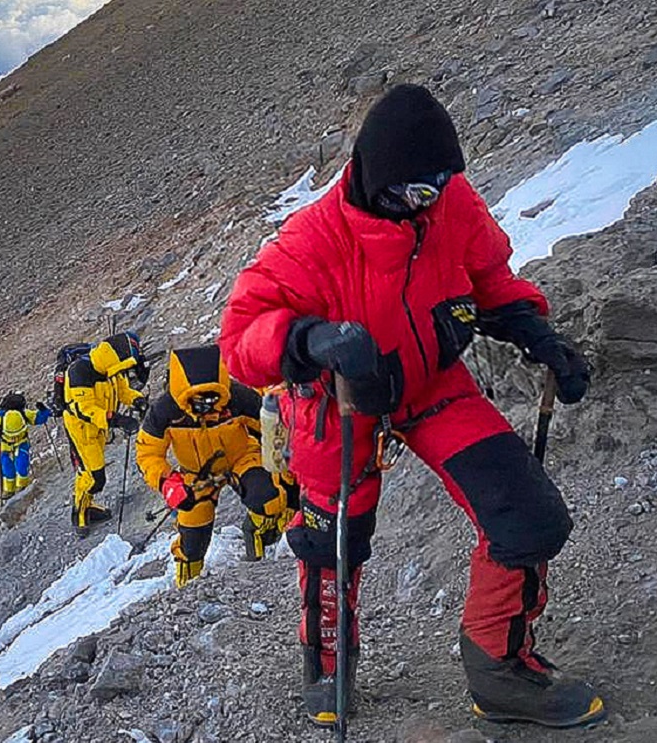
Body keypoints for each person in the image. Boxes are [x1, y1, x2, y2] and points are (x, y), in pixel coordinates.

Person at [219, 84, 601, 728]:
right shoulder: (310, 242)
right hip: (338, 404)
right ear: (377, 178)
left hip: (431, 384)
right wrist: (307, 338)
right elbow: (240, 338)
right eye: (417, 192)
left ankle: (500, 675)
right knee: (332, 542)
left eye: (441, 187)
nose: (430, 204)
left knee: (527, 514)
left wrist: (537, 333)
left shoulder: (449, 202)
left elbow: (490, 281)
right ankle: (328, 664)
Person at [135, 346, 291, 587]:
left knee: (269, 498)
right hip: (196, 474)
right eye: (200, 401)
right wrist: (168, 484)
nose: (209, 407)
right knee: (192, 535)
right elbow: (147, 454)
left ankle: (260, 542)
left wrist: (284, 469)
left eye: (213, 398)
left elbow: (272, 428)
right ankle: (187, 585)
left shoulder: (237, 397)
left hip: (242, 457)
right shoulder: (165, 411)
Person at [62, 331, 147, 537]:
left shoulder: (111, 371)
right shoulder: (79, 372)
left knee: (92, 471)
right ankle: (79, 513)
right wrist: (117, 420)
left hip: (99, 427)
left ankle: (87, 505)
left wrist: (137, 399)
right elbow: (85, 409)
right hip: (82, 430)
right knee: (94, 476)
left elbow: (123, 391)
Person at [0, 391, 50, 499]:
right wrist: (44, 411)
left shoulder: (1, 416)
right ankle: (14, 489)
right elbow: (38, 418)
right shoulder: (22, 413)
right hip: (17, 445)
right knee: (15, 467)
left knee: (16, 466)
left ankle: (15, 490)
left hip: (10, 446)